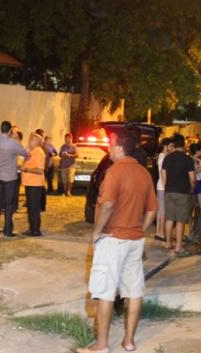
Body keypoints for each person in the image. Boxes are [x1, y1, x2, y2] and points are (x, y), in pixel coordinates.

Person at [79, 130, 157, 353]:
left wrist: (97, 231)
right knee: (134, 291)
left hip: (113, 239)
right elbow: (152, 209)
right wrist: (140, 231)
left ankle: (102, 345)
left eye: (111, 145)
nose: (109, 149)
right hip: (135, 240)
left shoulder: (114, 172)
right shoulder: (144, 173)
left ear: (120, 148)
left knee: (105, 291)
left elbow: (109, 205)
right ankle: (129, 341)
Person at [0, 120, 28, 237]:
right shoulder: (12, 143)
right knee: (9, 204)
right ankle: (7, 230)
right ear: (9, 131)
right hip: (10, 178)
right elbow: (25, 153)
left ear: (0, 129)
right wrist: (18, 139)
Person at [161, 134, 195, 255]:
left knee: (170, 218)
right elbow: (192, 177)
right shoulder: (188, 159)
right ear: (184, 144)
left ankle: (168, 242)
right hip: (183, 192)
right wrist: (192, 188)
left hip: (169, 191)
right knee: (180, 220)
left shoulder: (167, 158)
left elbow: (163, 174)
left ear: (174, 145)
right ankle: (178, 247)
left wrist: (166, 187)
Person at [21, 133, 46, 236]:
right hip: (30, 183)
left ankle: (35, 230)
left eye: (31, 140)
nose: (29, 141)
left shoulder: (39, 153)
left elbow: (40, 170)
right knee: (31, 207)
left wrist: (26, 169)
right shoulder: (32, 151)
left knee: (34, 208)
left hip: (35, 184)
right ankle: (32, 228)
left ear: (37, 142)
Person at [155, 138, 173, 241]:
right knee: (163, 211)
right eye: (170, 146)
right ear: (166, 146)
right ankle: (161, 233)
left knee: (160, 211)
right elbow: (162, 173)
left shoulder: (163, 156)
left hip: (161, 186)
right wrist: (166, 187)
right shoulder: (163, 157)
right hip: (162, 187)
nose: (172, 148)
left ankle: (159, 231)